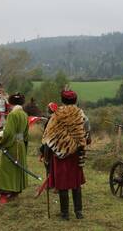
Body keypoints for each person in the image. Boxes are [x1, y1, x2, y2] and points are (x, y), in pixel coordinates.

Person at [42, 89, 88, 220]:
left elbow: (48, 136)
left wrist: (46, 156)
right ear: (75, 100)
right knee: (76, 183)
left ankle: (65, 214)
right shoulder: (80, 114)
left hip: (60, 153)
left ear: (62, 100)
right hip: (76, 153)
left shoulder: (56, 115)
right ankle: (79, 212)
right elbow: (86, 132)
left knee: (63, 184)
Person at [0, 92, 29, 205]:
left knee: (6, 169)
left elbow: (8, 132)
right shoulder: (24, 114)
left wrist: (1, 142)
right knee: (18, 168)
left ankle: (4, 196)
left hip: (12, 145)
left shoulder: (12, 115)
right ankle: (15, 193)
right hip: (21, 145)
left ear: (10, 103)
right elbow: (26, 133)